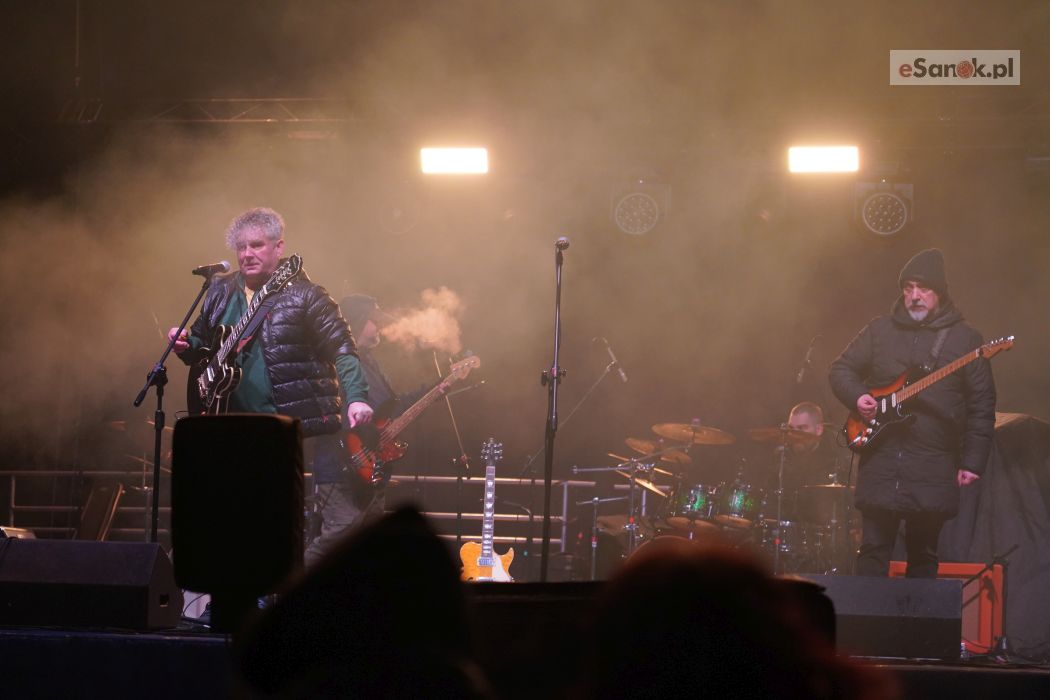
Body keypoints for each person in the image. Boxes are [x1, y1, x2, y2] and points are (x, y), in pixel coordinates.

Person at [168, 207, 375, 568]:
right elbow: (203, 344)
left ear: (279, 247)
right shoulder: (220, 292)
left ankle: (276, 591)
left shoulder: (307, 296)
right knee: (226, 514)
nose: (247, 254)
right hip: (229, 425)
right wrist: (186, 344)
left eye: (257, 245)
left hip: (285, 429)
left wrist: (356, 397)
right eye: (241, 247)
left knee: (275, 520)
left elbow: (343, 349)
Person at [828, 248, 996, 578]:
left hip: (933, 463)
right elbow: (840, 370)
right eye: (908, 288)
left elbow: (982, 404)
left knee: (924, 555)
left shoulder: (965, 339)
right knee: (872, 551)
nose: (914, 296)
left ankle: (918, 615)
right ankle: (867, 613)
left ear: (940, 292)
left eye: (923, 288)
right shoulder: (879, 330)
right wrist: (859, 397)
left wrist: (973, 461)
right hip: (881, 458)